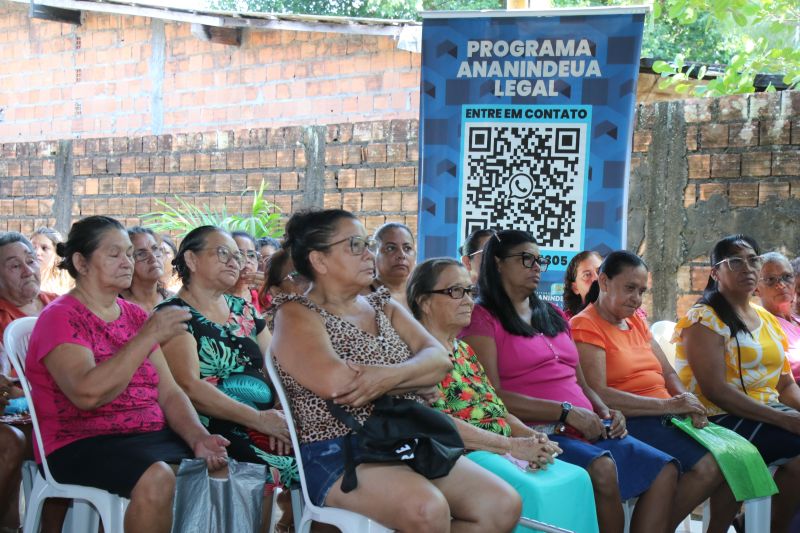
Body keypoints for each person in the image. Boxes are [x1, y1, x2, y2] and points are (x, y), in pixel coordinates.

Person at [271, 208, 521, 532]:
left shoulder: (381, 304)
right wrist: (413, 379)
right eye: (355, 245)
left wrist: (387, 377)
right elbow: (338, 383)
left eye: (366, 244)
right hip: (339, 450)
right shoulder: (296, 314)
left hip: (406, 435)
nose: (369, 254)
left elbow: (439, 360)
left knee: (501, 505)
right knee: (427, 510)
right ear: (319, 260)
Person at [461, 229, 678, 533]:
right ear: (497, 263)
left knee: (664, 470)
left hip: (585, 423)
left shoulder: (550, 313)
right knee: (603, 468)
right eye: (526, 259)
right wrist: (566, 412)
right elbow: (493, 397)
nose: (537, 267)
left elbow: (581, 383)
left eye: (540, 260)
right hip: (537, 429)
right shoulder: (481, 317)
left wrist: (606, 412)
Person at [25, 216, 229, 533]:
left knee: (219, 471)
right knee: (157, 477)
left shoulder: (135, 314)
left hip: (146, 437)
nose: (127, 262)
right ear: (81, 261)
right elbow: (86, 394)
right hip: (81, 441)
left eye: (128, 254)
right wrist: (147, 337)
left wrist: (198, 438)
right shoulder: (61, 317)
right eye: (114, 254)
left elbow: (169, 391)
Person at [407, 257, 599, 533]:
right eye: (454, 291)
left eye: (469, 291)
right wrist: (511, 446)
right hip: (462, 454)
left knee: (578, 478)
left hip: (503, 447)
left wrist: (530, 438)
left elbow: (496, 408)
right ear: (424, 301)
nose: (468, 301)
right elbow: (436, 422)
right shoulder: (416, 355)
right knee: (532, 491)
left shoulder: (463, 350)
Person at [571, 250, 737, 532]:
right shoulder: (585, 325)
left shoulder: (636, 320)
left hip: (665, 415)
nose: (636, 298)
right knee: (710, 466)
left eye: (641, 290)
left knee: (736, 457)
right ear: (604, 281)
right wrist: (670, 407)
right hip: (628, 420)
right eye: (630, 288)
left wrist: (688, 401)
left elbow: (668, 372)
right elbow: (599, 393)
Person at [157, 226, 297, 494]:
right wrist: (258, 419)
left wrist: (280, 415)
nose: (235, 262)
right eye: (223, 253)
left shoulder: (243, 309)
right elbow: (189, 387)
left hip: (265, 422)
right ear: (191, 260)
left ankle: (292, 523)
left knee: (324, 455)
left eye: (238, 256)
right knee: (264, 470)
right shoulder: (173, 314)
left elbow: (277, 368)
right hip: (212, 428)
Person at [674, 235, 800, 532]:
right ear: (715, 272)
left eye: (752, 260)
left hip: (764, 410)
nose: (747, 268)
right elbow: (715, 390)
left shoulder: (765, 319)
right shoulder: (704, 318)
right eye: (735, 261)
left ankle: (748, 525)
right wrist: (783, 419)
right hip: (716, 416)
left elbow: (785, 386)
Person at [0, 232, 67, 532]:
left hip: (58, 410)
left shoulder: (59, 306)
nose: (28, 270)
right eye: (15, 265)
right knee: (16, 441)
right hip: (18, 415)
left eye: (30, 261)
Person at [756, 253, 800, 381]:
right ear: (756, 289)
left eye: (787, 277)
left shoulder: (796, 319)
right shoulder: (761, 326)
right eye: (770, 279)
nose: (781, 284)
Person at [120, 227, 171, 312]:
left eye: (155, 249)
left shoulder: (175, 300)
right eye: (142, 254)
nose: (153, 258)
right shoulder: (116, 306)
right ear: (127, 261)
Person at [370, 222, 416, 310]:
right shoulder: (361, 296)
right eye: (391, 248)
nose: (401, 255)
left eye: (407, 248)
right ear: (374, 254)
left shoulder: (422, 297)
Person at [229, 231, 265, 313]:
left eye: (251, 255)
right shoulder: (216, 297)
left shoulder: (262, 295)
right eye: (239, 254)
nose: (246, 260)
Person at [30, 228, 72, 295]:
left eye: (44, 248)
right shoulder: (19, 281)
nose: (37, 252)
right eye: (33, 247)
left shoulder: (67, 283)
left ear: (56, 254)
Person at [562, 251, 602, 318]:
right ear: (575, 288)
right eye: (587, 275)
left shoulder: (623, 317)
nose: (597, 278)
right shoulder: (567, 325)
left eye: (599, 271)